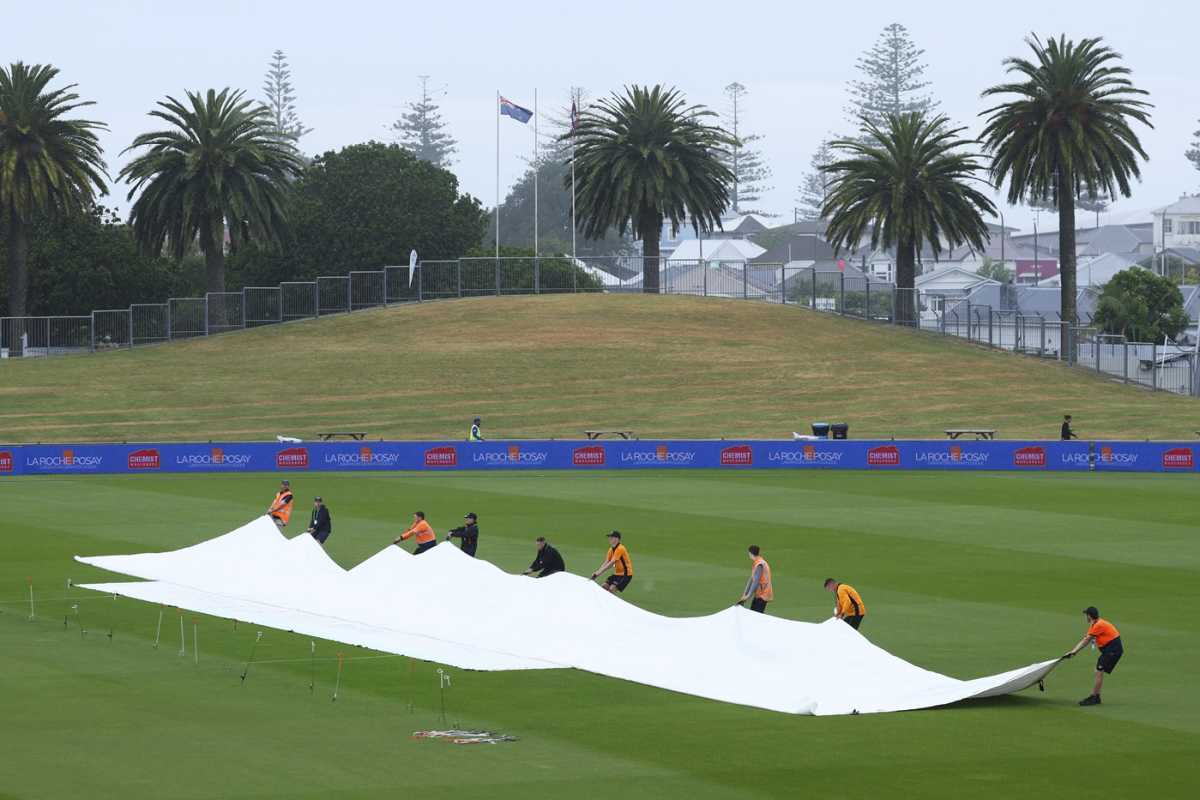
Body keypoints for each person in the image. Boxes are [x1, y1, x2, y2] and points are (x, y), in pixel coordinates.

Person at [1063, 606, 1124, 706]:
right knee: (1098, 671)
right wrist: (1073, 651)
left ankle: (1095, 697)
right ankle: (1096, 696)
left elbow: (1086, 641)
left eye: (1086, 615)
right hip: (1110, 649)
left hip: (1113, 649)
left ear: (1089, 616)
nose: (1085, 617)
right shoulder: (1095, 624)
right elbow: (1087, 638)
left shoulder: (1098, 625)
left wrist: (1073, 652)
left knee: (1099, 671)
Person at [737, 545, 773, 613]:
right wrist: (745, 594)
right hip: (759, 594)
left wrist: (748, 596)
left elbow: (755, 582)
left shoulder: (759, 564)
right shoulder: (757, 562)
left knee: (756, 616)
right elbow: (751, 580)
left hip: (763, 594)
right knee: (753, 614)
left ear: (750, 553)